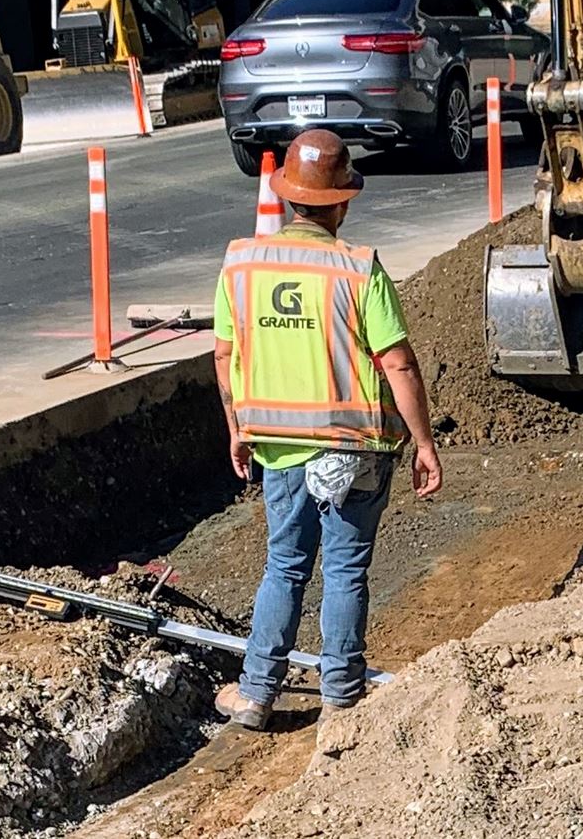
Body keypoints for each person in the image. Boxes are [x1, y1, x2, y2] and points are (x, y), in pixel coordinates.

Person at [209, 128, 442, 729]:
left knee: (284, 565)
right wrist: (423, 442)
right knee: (344, 569)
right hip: (354, 448)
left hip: (279, 448)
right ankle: (341, 693)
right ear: (342, 201)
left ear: (289, 197)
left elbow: (223, 355)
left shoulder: (241, 263)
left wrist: (237, 428)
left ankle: (257, 694)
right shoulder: (358, 270)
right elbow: (398, 363)